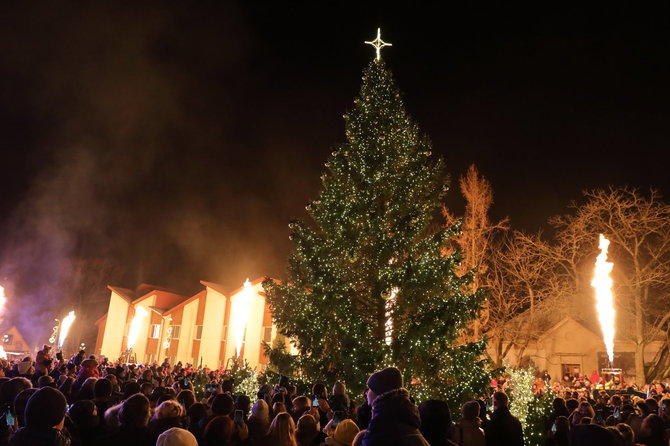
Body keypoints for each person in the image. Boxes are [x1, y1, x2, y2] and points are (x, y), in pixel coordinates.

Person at [361, 366, 429, 446]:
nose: (366, 393)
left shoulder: (382, 427)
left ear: (378, 392)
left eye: (370, 389)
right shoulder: (402, 420)